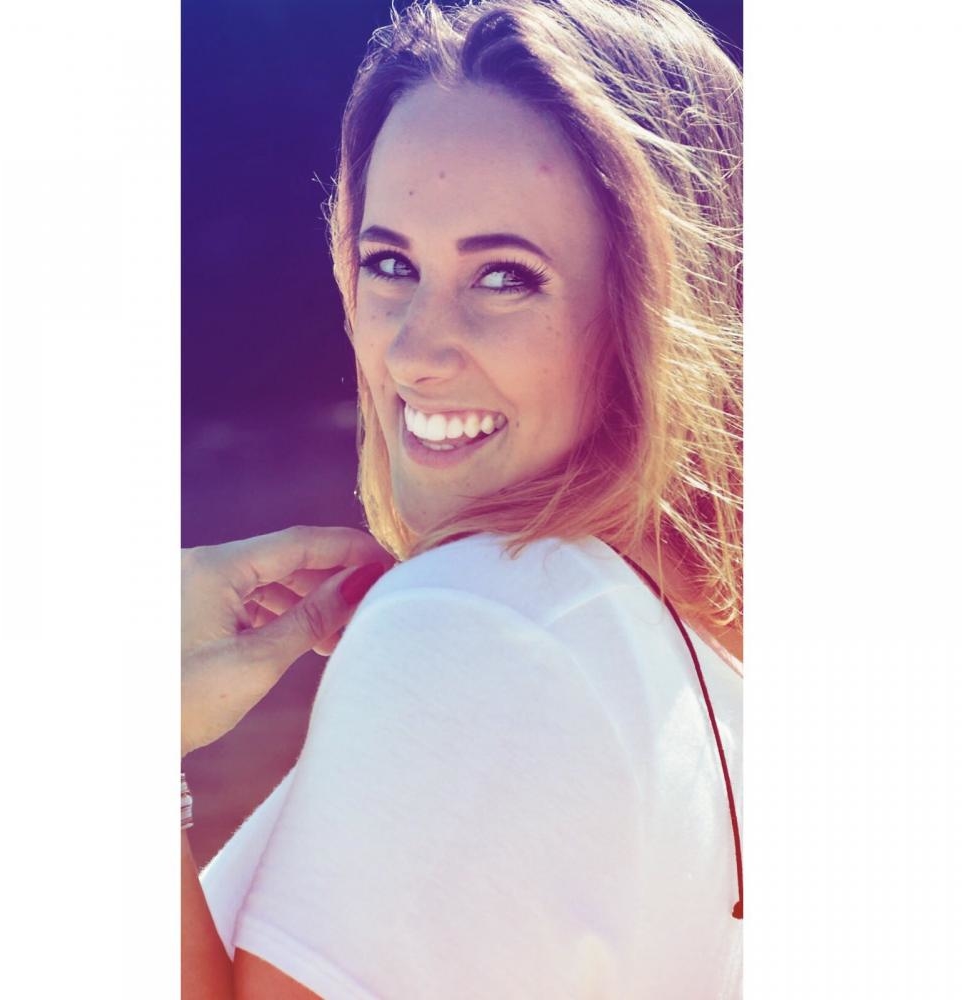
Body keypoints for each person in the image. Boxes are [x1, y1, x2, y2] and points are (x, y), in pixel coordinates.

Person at [182, 0, 743, 996]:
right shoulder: (705, 662)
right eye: (390, 264)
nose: (412, 351)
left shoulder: (489, 619)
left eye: (504, 277)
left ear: (657, 308)